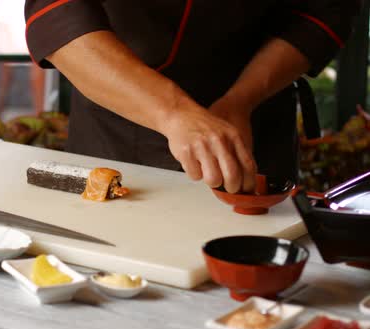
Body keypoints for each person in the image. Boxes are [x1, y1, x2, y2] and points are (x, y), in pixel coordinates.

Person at [24, 0, 359, 193]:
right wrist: (173, 112)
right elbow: (58, 13)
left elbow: (324, 10)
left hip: (253, 120)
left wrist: (239, 101)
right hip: (121, 114)